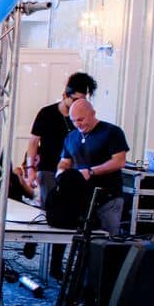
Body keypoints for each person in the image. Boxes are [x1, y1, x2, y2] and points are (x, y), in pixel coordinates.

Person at [56, 96, 131, 233]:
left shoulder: (112, 132)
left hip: (108, 196)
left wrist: (90, 172)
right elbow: (65, 161)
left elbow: (119, 161)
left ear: (93, 114)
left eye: (81, 119)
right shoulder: (71, 136)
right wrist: (61, 172)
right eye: (73, 121)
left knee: (107, 242)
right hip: (81, 198)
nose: (77, 124)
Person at [25, 71, 96, 208]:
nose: (78, 104)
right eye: (75, 100)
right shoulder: (47, 113)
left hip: (73, 171)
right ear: (65, 96)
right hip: (48, 168)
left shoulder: (82, 116)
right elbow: (33, 142)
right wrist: (30, 169)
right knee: (49, 207)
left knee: (71, 208)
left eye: (82, 101)